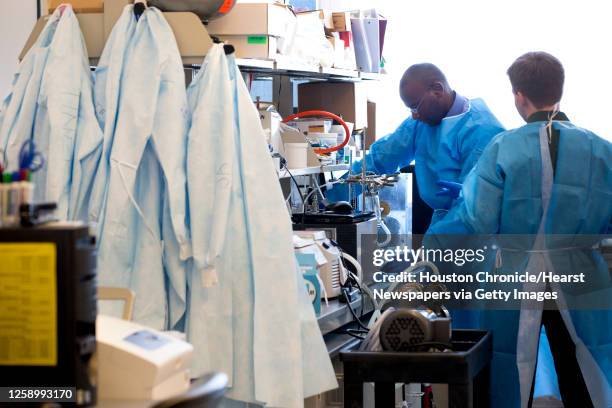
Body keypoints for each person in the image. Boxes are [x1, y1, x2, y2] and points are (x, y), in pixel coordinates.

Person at [429, 52, 612, 407]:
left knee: (511, 369)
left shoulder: (503, 147)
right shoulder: (600, 150)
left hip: (513, 275)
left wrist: (429, 247)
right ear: (560, 90)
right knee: (583, 367)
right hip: (582, 276)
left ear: (518, 96)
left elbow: (474, 219)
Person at [327, 63, 505, 230]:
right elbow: (381, 159)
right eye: (410, 109)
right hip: (443, 224)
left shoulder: (482, 132)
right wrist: (331, 196)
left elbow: (476, 207)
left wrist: (438, 242)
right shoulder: (423, 121)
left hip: (474, 233)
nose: (414, 115)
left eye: (415, 107)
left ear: (437, 90)